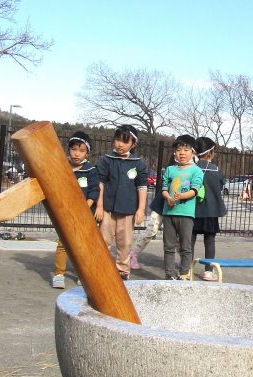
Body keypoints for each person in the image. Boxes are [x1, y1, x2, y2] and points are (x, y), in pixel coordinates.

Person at [95, 124, 148, 280]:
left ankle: (122, 272)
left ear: (133, 144)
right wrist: (99, 206)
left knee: (125, 243)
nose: (120, 144)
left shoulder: (138, 163)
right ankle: (101, 270)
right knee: (103, 240)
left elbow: (142, 186)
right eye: (118, 140)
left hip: (128, 210)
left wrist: (141, 209)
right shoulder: (106, 160)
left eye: (125, 141)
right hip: (107, 209)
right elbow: (100, 183)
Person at [51, 131, 99, 289]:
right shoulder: (62, 166)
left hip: (85, 214)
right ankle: (59, 274)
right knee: (63, 243)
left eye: (81, 150)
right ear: (69, 149)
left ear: (87, 153)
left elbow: (94, 191)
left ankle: (82, 274)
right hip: (65, 213)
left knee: (83, 245)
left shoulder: (91, 170)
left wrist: (85, 207)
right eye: (74, 149)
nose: (77, 153)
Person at [160, 134, 205, 280]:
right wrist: (168, 198)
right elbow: (164, 189)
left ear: (193, 152)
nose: (182, 153)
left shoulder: (196, 171)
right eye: (179, 150)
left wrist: (181, 196)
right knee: (168, 246)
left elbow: (195, 190)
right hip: (168, 213)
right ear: (175, 152)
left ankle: (184, 274)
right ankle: (169, 275)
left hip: (186, 215)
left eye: (186, 150)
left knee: (185, 247)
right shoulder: (169, 170)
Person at [192, 136, 227, 281]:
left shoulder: (191, 169)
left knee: (190, 240)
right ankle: (208, 271)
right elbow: (220, 186)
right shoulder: (216, 170)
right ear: (210, 153)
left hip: (192, 210)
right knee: (210, 241)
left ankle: (186, 269)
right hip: (211, 211)